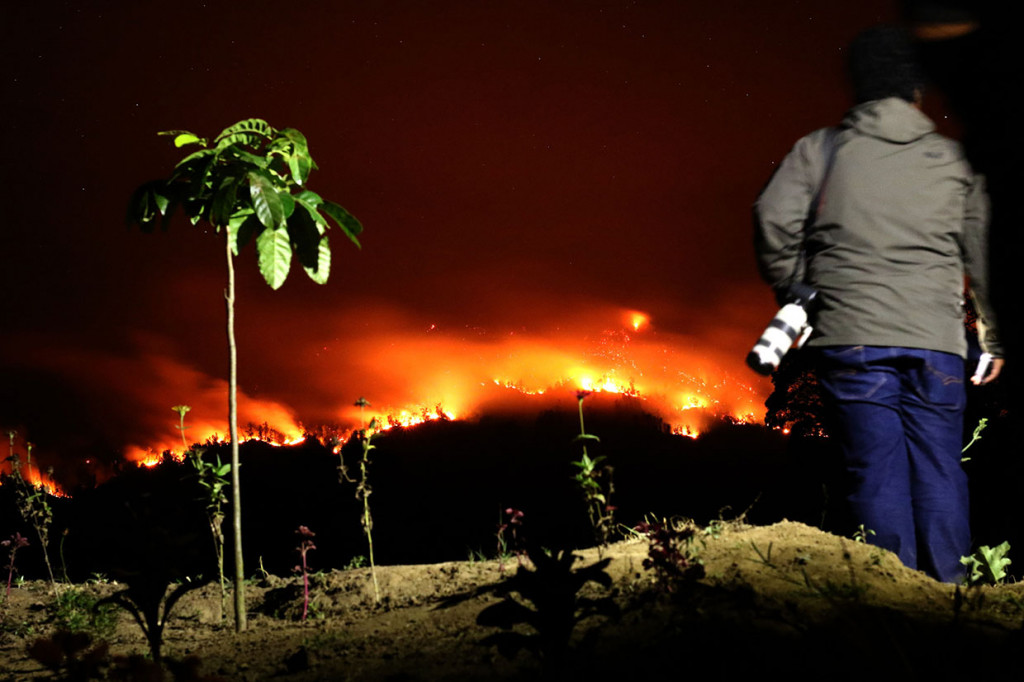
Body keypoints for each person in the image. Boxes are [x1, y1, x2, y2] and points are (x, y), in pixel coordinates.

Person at [752, 25, 1003, 582]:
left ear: (858, 87)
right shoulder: (953, 161)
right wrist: (991, 334)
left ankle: (896, 600)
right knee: (940, 470)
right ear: (919, 90)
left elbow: (772, 218)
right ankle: (952, 599)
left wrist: (796, 289)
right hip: (935, 344)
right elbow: (985, 249)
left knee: (875, 474)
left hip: (851, 337)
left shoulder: (822, 149)